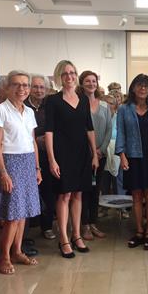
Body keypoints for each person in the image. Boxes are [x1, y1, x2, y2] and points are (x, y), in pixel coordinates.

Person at [45, 60, 98, 258]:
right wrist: (51, 159)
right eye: (65, 73)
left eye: (72, 73)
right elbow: (48, 131)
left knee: (78, 194)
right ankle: (64, 238)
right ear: (59, 77)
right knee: (64, 195)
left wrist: (94, 154)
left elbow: (89, 128)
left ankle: (76, 235)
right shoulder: (53, 101)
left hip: (82, 152)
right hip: (62, 153)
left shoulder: (83, 99)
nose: (69, 77)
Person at [0, 70, 42, 274]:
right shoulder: (0, 110)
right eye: (17, 84)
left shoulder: (29, 111)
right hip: (10, 162)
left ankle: (17, 251)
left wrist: (37, 168)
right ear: (7, 87)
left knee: (23, 214)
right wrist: (3, 173)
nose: (22, 89)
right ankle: (4, 257)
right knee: (12, 215)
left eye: (25, 85)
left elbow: (33, 142)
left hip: (28, 162)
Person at [115, 74, 148, 250]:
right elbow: (120, 132)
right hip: (133, 157)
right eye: (139, 85)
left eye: (146, 86)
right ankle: (138, 231)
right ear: (133, 88)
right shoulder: (124, 109)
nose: (143, 88)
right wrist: (121, 155)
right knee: (136, 195)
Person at [77, 70, 112, 240]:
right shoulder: (77, 103)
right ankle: (83, 226)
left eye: (94, 81)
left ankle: (93, 223)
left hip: (101, 155)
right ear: (81, 83)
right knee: (84, 191)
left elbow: (109, 130)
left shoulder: (105, 106)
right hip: (83, 155)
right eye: (87, 81)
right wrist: (90, 152)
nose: (91, 84)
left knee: (96, 191)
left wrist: (100, 150)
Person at [24, 74, 57, 241]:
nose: (38, 90)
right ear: (29, 88)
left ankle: (47, 226)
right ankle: (25, 231)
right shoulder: (23, 106)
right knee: (29, 194)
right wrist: (37, 140)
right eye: (35, 87)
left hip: (49, 155)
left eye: (42, 87)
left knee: (49, 192)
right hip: (28, 157)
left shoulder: (50, 105)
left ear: (47, 89)